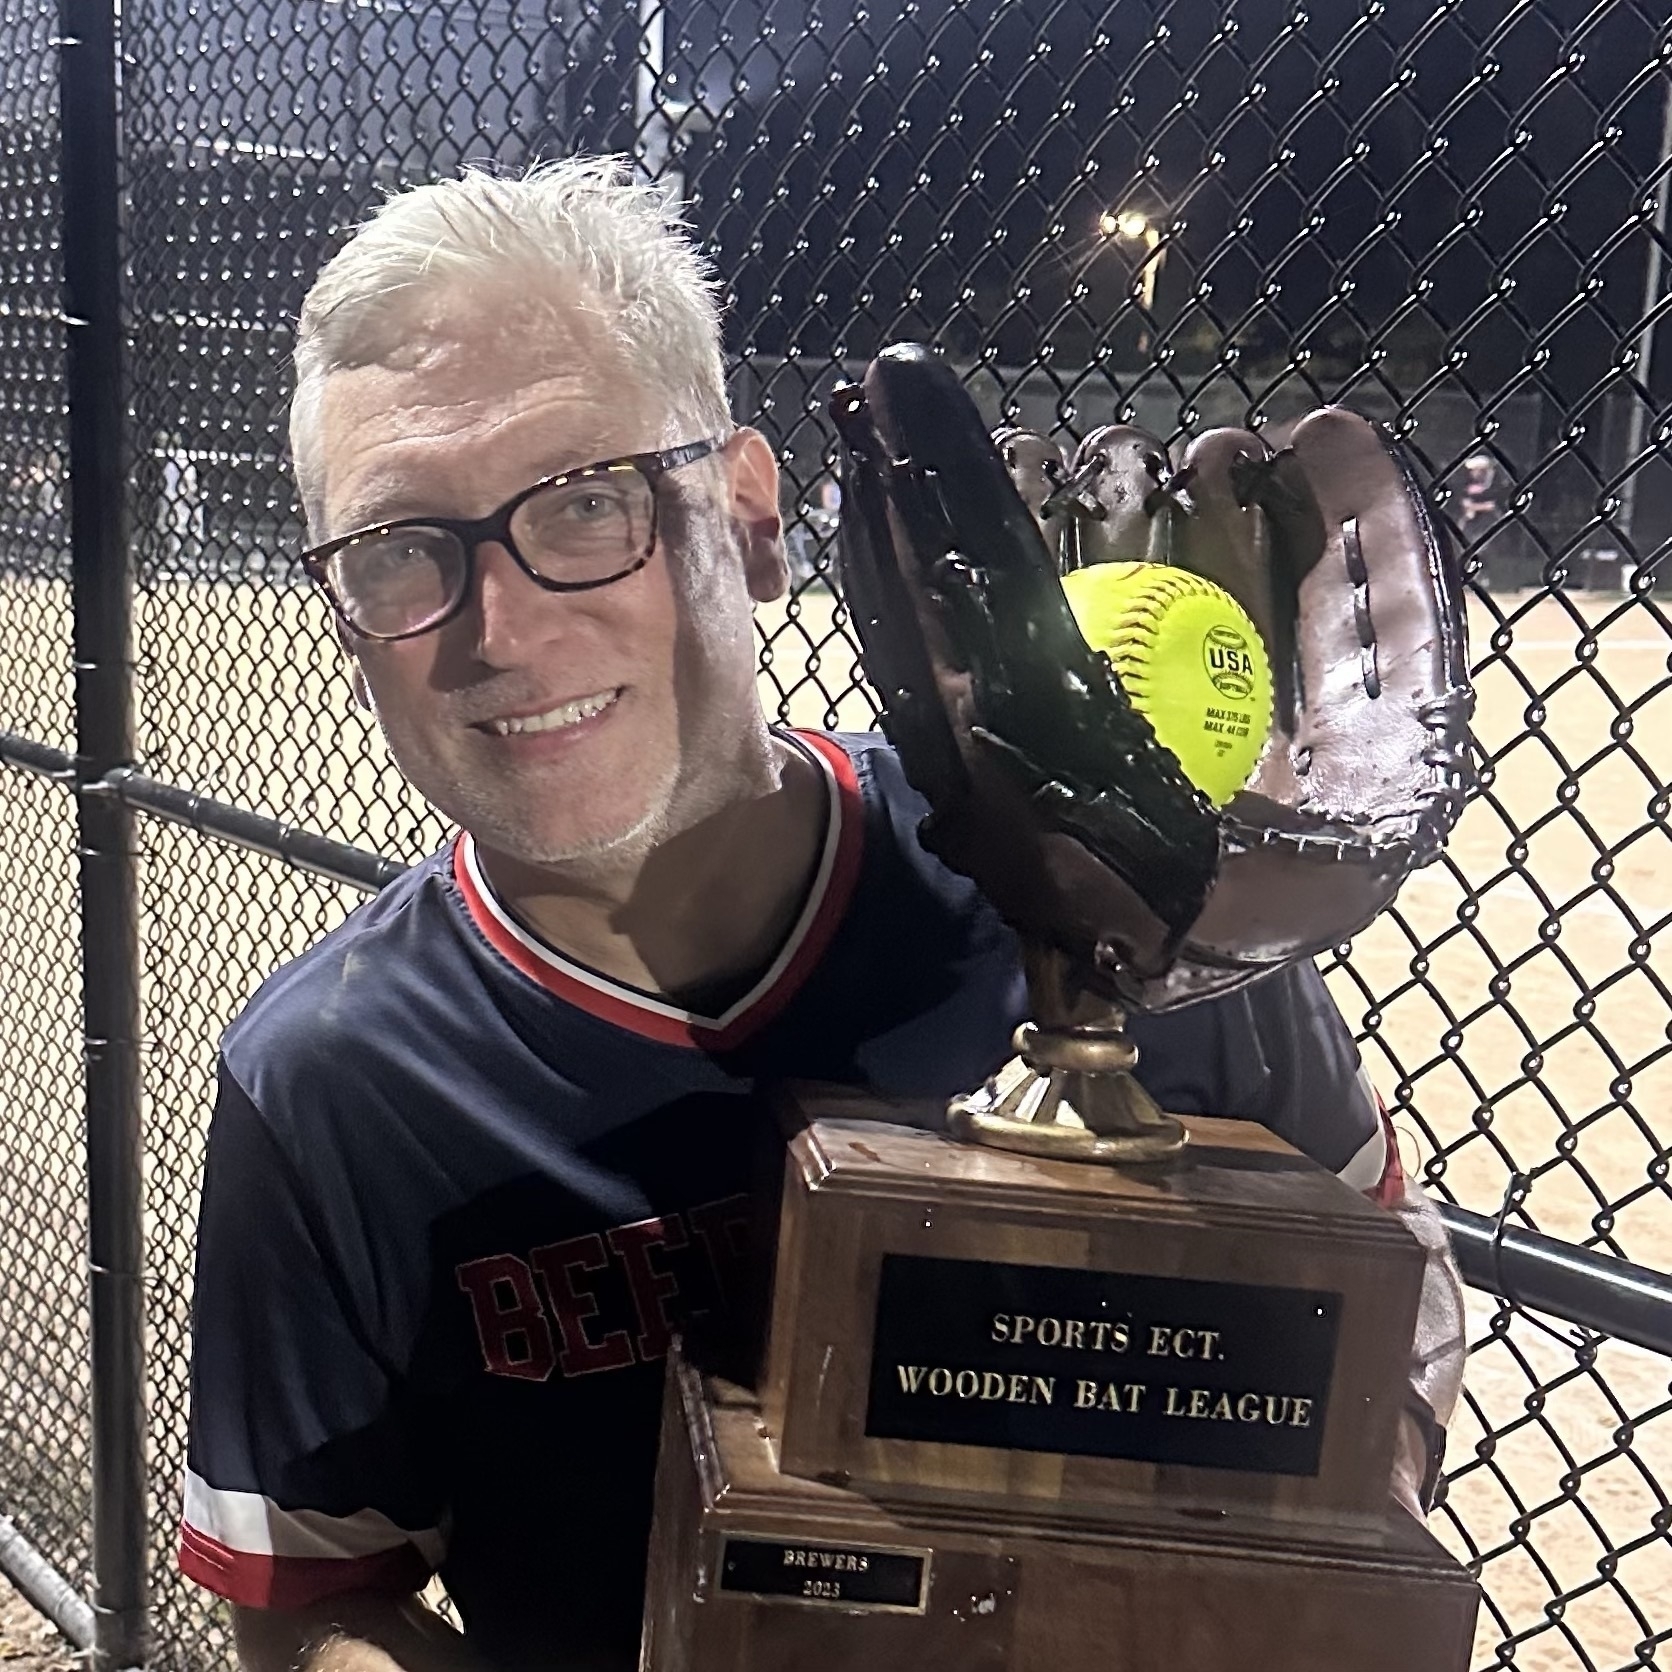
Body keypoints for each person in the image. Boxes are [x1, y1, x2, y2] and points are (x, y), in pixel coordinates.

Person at [179, 158, 1459, 1672]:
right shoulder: (334, 1083)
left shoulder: (1110, 890)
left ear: (752, 516)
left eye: (587, 503)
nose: (503, 634)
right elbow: (322, 1598)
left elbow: (1391, 1303)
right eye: (400, 551)